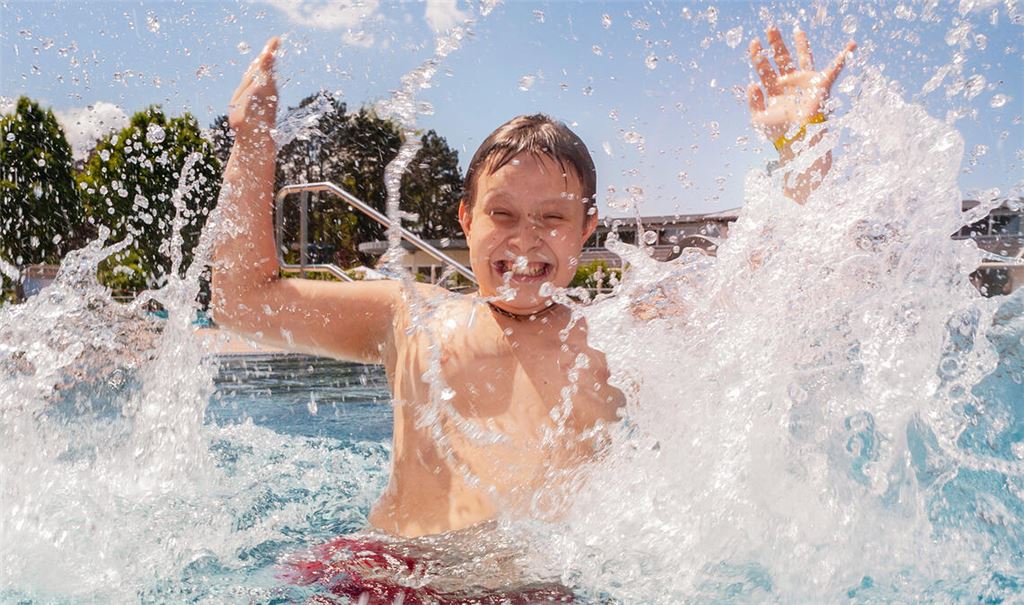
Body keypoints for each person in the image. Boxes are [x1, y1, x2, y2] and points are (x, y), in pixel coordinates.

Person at [211, 26, 854, 603]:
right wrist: (252, 145)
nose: (525, 240)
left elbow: (779, 293)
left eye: (552, 218)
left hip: (526, 590)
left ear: (585, 230)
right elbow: (243, 301)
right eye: (503, 214)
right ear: (466, 219)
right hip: (388, 575)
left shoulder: (618, 334)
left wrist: (801, 146)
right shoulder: (406, 316)